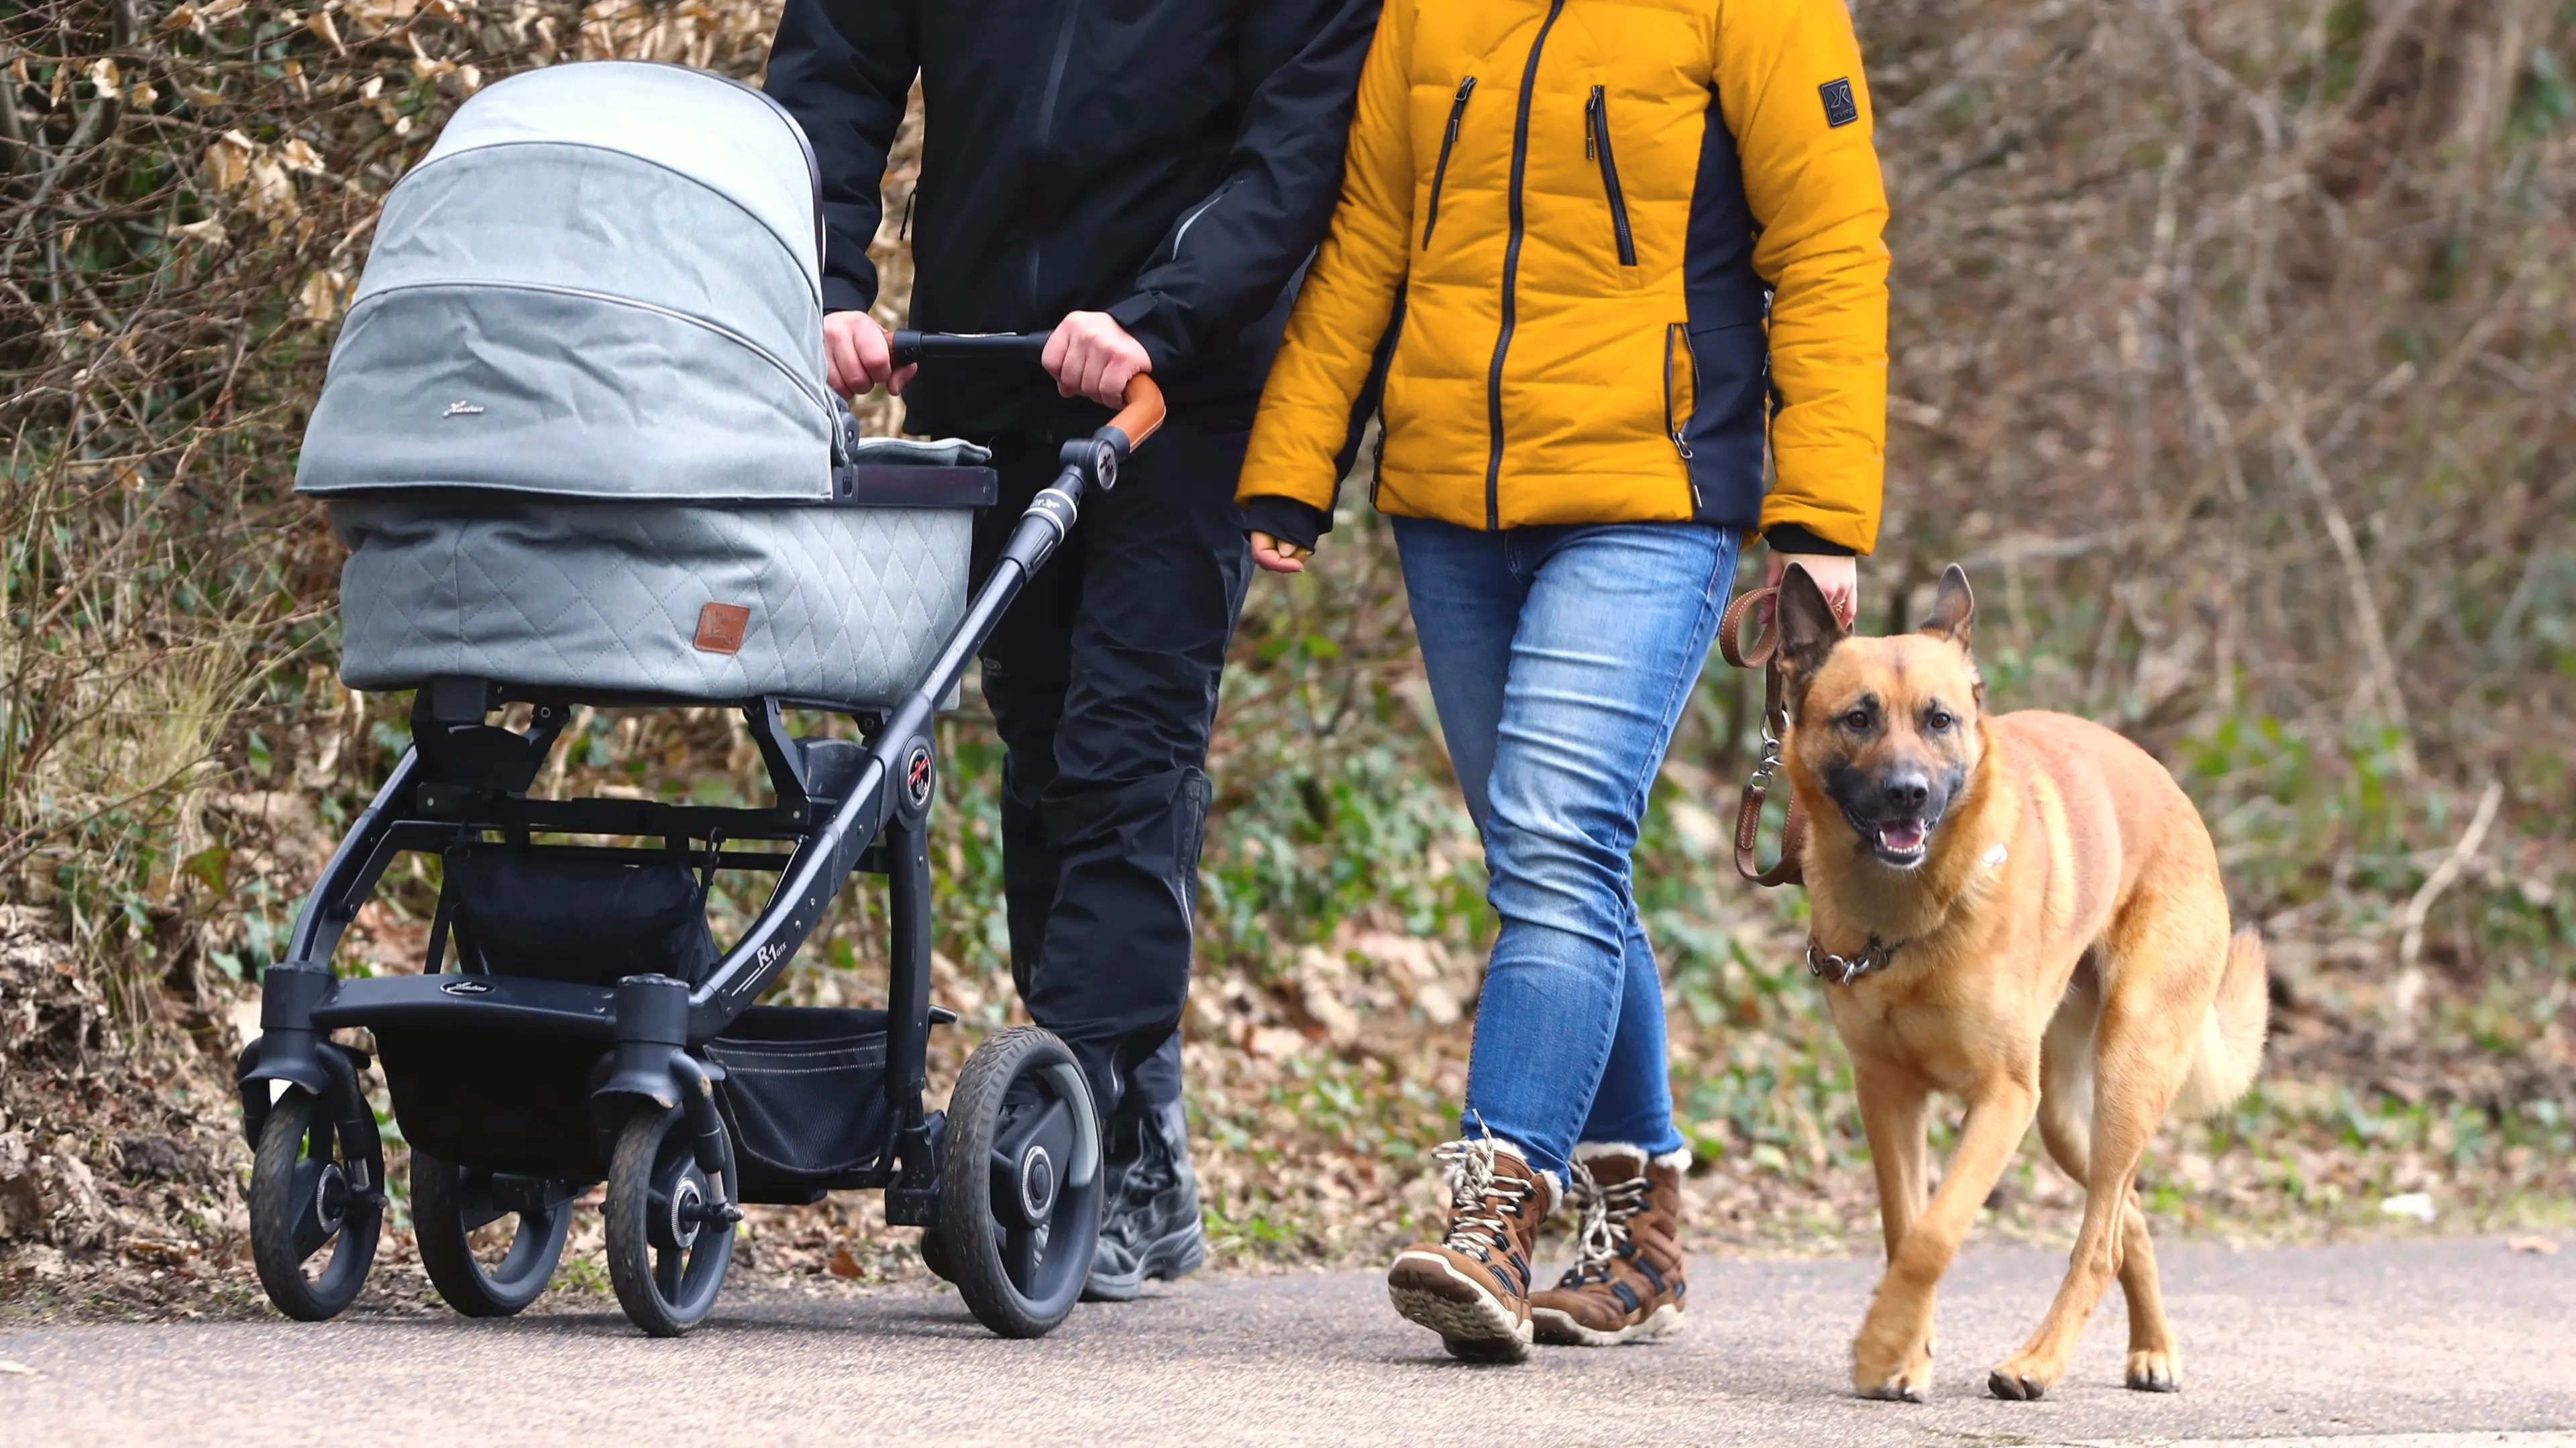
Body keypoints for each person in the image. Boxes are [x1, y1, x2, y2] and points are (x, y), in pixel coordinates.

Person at [1235, 0, 1888, 1359]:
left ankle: (1493, 1201)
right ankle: (1641, 1226)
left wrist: (1819, 519)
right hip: (1447, 496)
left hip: (1653, 495)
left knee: (1552, 839)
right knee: (1556, 858)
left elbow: (1827, 246)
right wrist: (1296, 458)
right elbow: (1371, 233)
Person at [764, 0, 1381, 1299]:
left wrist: (1159, 311)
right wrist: (824, 289)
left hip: (1181, 391)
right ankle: (1128, 1120)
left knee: (1125, 747)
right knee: (1042, 743)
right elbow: (833, 80)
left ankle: (1082, 1119)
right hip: (987, 360)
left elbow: (1295, 154)